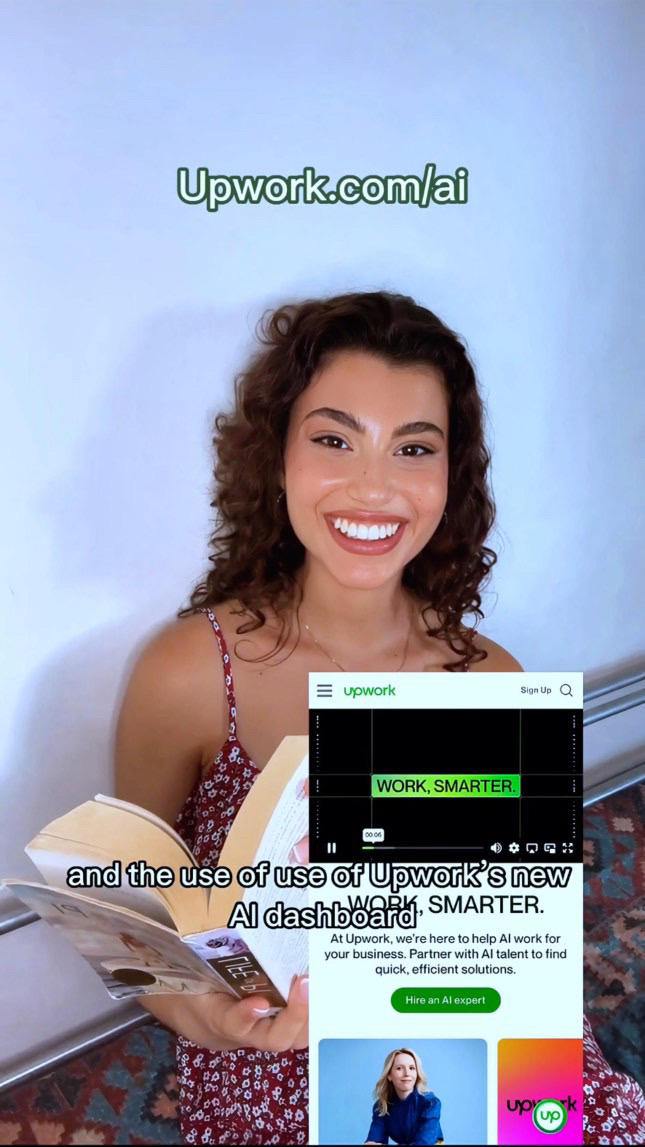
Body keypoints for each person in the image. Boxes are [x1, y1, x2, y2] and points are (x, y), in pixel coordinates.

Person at [114, 290, 523, 1146]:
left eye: (413, 447)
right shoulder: (191, 672)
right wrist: (205, 1016)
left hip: (461, 1039)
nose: (373, 486)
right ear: (277, 457)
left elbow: (507, 940)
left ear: (450, 475)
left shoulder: (492, 679)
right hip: (272, 1058)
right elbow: (126, 901)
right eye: (334, 439)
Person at [365, 1047, 443, 1146]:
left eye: (412, 1068)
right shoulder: (381, 1106)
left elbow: (424, 1143)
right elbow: (373, 1142)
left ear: (417, 1073)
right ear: (389, 1075)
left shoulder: (430, 1103)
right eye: (399, 1068)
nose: (407, 1073)